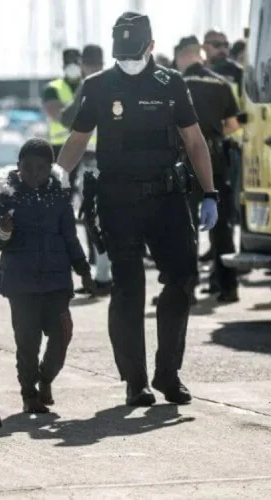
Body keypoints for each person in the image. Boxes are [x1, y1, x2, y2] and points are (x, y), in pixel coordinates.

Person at [57, 12, 218, 407]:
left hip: (167, 198)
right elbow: (78, 139)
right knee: (128, 288)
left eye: (134, 53)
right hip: (119, 200)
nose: (128, 61)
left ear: (151, 47)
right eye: (122, 55)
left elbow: (194, 141)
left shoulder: (171, 82)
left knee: (182, 279)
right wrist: (58, 178)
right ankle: (136, 381)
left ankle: (168, 373)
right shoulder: (98, 86)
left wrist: (210, 193)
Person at [0, 139, 94, 414]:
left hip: (57, 281)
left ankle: (46, 378)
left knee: (62, 335)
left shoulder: (59, 197)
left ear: (51, 168)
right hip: (21, 285)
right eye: (27, 168)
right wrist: (4, 231)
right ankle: (29, 393)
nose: (34, 174)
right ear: (18, 167)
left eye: (41, 168)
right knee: (27, 342)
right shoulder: (7, 198)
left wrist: (83, 270)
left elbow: (70, 237)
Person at [175, 36, 241, 303]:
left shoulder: (176, 84)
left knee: (184, 227)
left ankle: (186, 289)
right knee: (221, 227)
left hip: (185, 162)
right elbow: (233, 125)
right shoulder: (221, 83)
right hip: (216, 161)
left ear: (182, 56)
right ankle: (228, 287)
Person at [59, 44, 112, 295]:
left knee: (97, 220)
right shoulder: (119, 80)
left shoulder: (90, 84)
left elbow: (66, 118)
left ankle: (103, 277)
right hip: (120, 161)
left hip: (93, 162)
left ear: (83, 64)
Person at [202, 30, 244, 99]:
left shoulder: (238, 72)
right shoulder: (195, 71)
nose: (223, 49)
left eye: (226, 45)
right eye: (217, 45)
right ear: (204, 47)